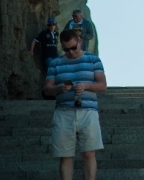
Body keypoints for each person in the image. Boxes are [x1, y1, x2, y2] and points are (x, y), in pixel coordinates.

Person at [43, 29, 107, 180]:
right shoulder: (56, 63)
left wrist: (85, 86)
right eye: (66, 49)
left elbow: (103, 85)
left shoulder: (93, 60)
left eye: (73, 47)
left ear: (79, 42)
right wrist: (59, 89)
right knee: (65, 156)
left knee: (89, 152)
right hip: (64, 112)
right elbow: (46, 89)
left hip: (88, 112)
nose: (70, 52)